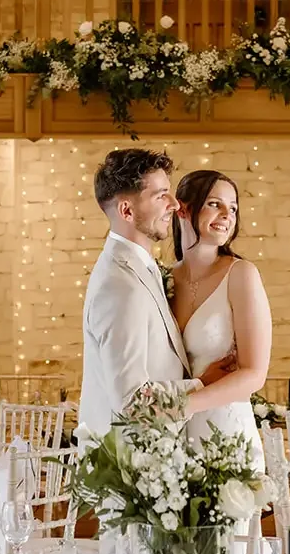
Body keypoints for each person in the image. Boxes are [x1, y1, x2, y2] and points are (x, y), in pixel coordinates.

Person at [78, 148, 234, 439]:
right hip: (127, 465)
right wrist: (201, 384)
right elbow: (131, 401)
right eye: (161, 195)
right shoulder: (120, 285)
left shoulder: (142, 268)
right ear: (127, 210)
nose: (174, 204)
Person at [170, 169, 270, 473]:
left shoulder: (241, 274)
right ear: (183, 209)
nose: (227, 214)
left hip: (225, 435)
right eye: (215, 204)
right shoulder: (163, 279)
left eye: (234, 208)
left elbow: (254, 374)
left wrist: (183, 406)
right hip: (171, 443)